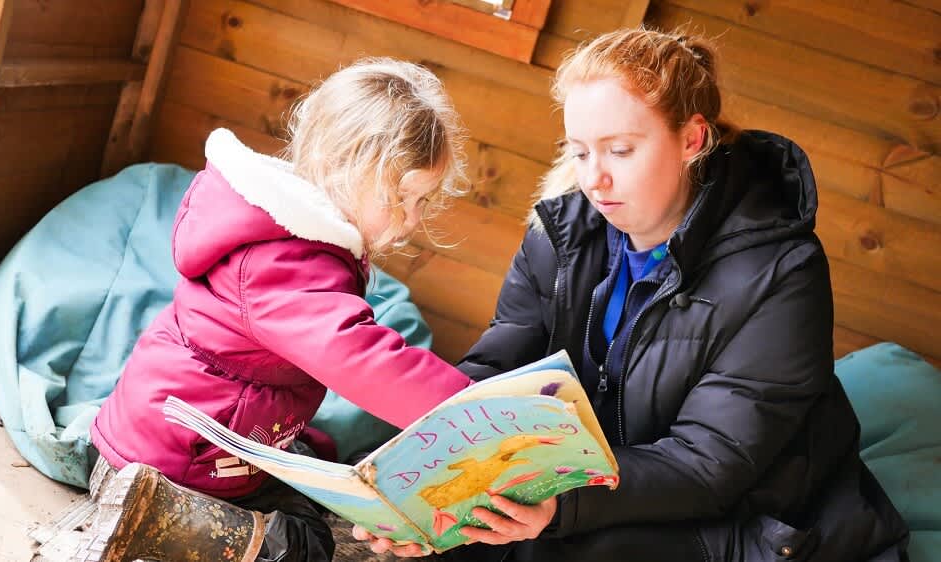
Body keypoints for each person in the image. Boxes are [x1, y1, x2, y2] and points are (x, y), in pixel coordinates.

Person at [355, 28, 909, 561]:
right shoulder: (562, 235)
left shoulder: (782, 273)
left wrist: (559, 507)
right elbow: (498, 368)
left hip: (748, 518)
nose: (594, 179)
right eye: (579, 152)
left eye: (620, 150)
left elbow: (711, 464)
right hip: (604, 486)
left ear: (691, 139)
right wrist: (421, 484)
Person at [79, 58, 475, 562]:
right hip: (168, 468)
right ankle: (156, 523)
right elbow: (360, 356)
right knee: (308, 543)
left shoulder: (290, 235)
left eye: (422, 201)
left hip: (168, 439)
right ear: (343, 167)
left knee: (318, 465)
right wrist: (473, 413)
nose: (412, 219)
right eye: (400, 196)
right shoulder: (285, 260)